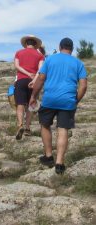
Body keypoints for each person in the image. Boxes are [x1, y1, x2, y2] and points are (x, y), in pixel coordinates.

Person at [29, 37, 87, 174]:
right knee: (63, 130)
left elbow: (41, 79)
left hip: (50, 99)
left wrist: (33, 96)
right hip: (68, 101)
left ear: (60, 46)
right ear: (72, 49)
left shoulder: (50, 59)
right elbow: (83, 86)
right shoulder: (78, 63)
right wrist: (75, 100)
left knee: (45, 125)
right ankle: (60, 163)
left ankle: (48, 156)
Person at [14, 35, 44, 139]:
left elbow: (17, 66)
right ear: (35, 44)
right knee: (31, 105)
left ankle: (20, 125)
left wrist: (26, 73)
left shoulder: (18, 52)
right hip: (33, 82)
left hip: (21, 80)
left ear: (26, 43)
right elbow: (40, 70)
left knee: (20, 104)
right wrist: (34, 78)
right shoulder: (40, 55)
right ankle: (27, 128)